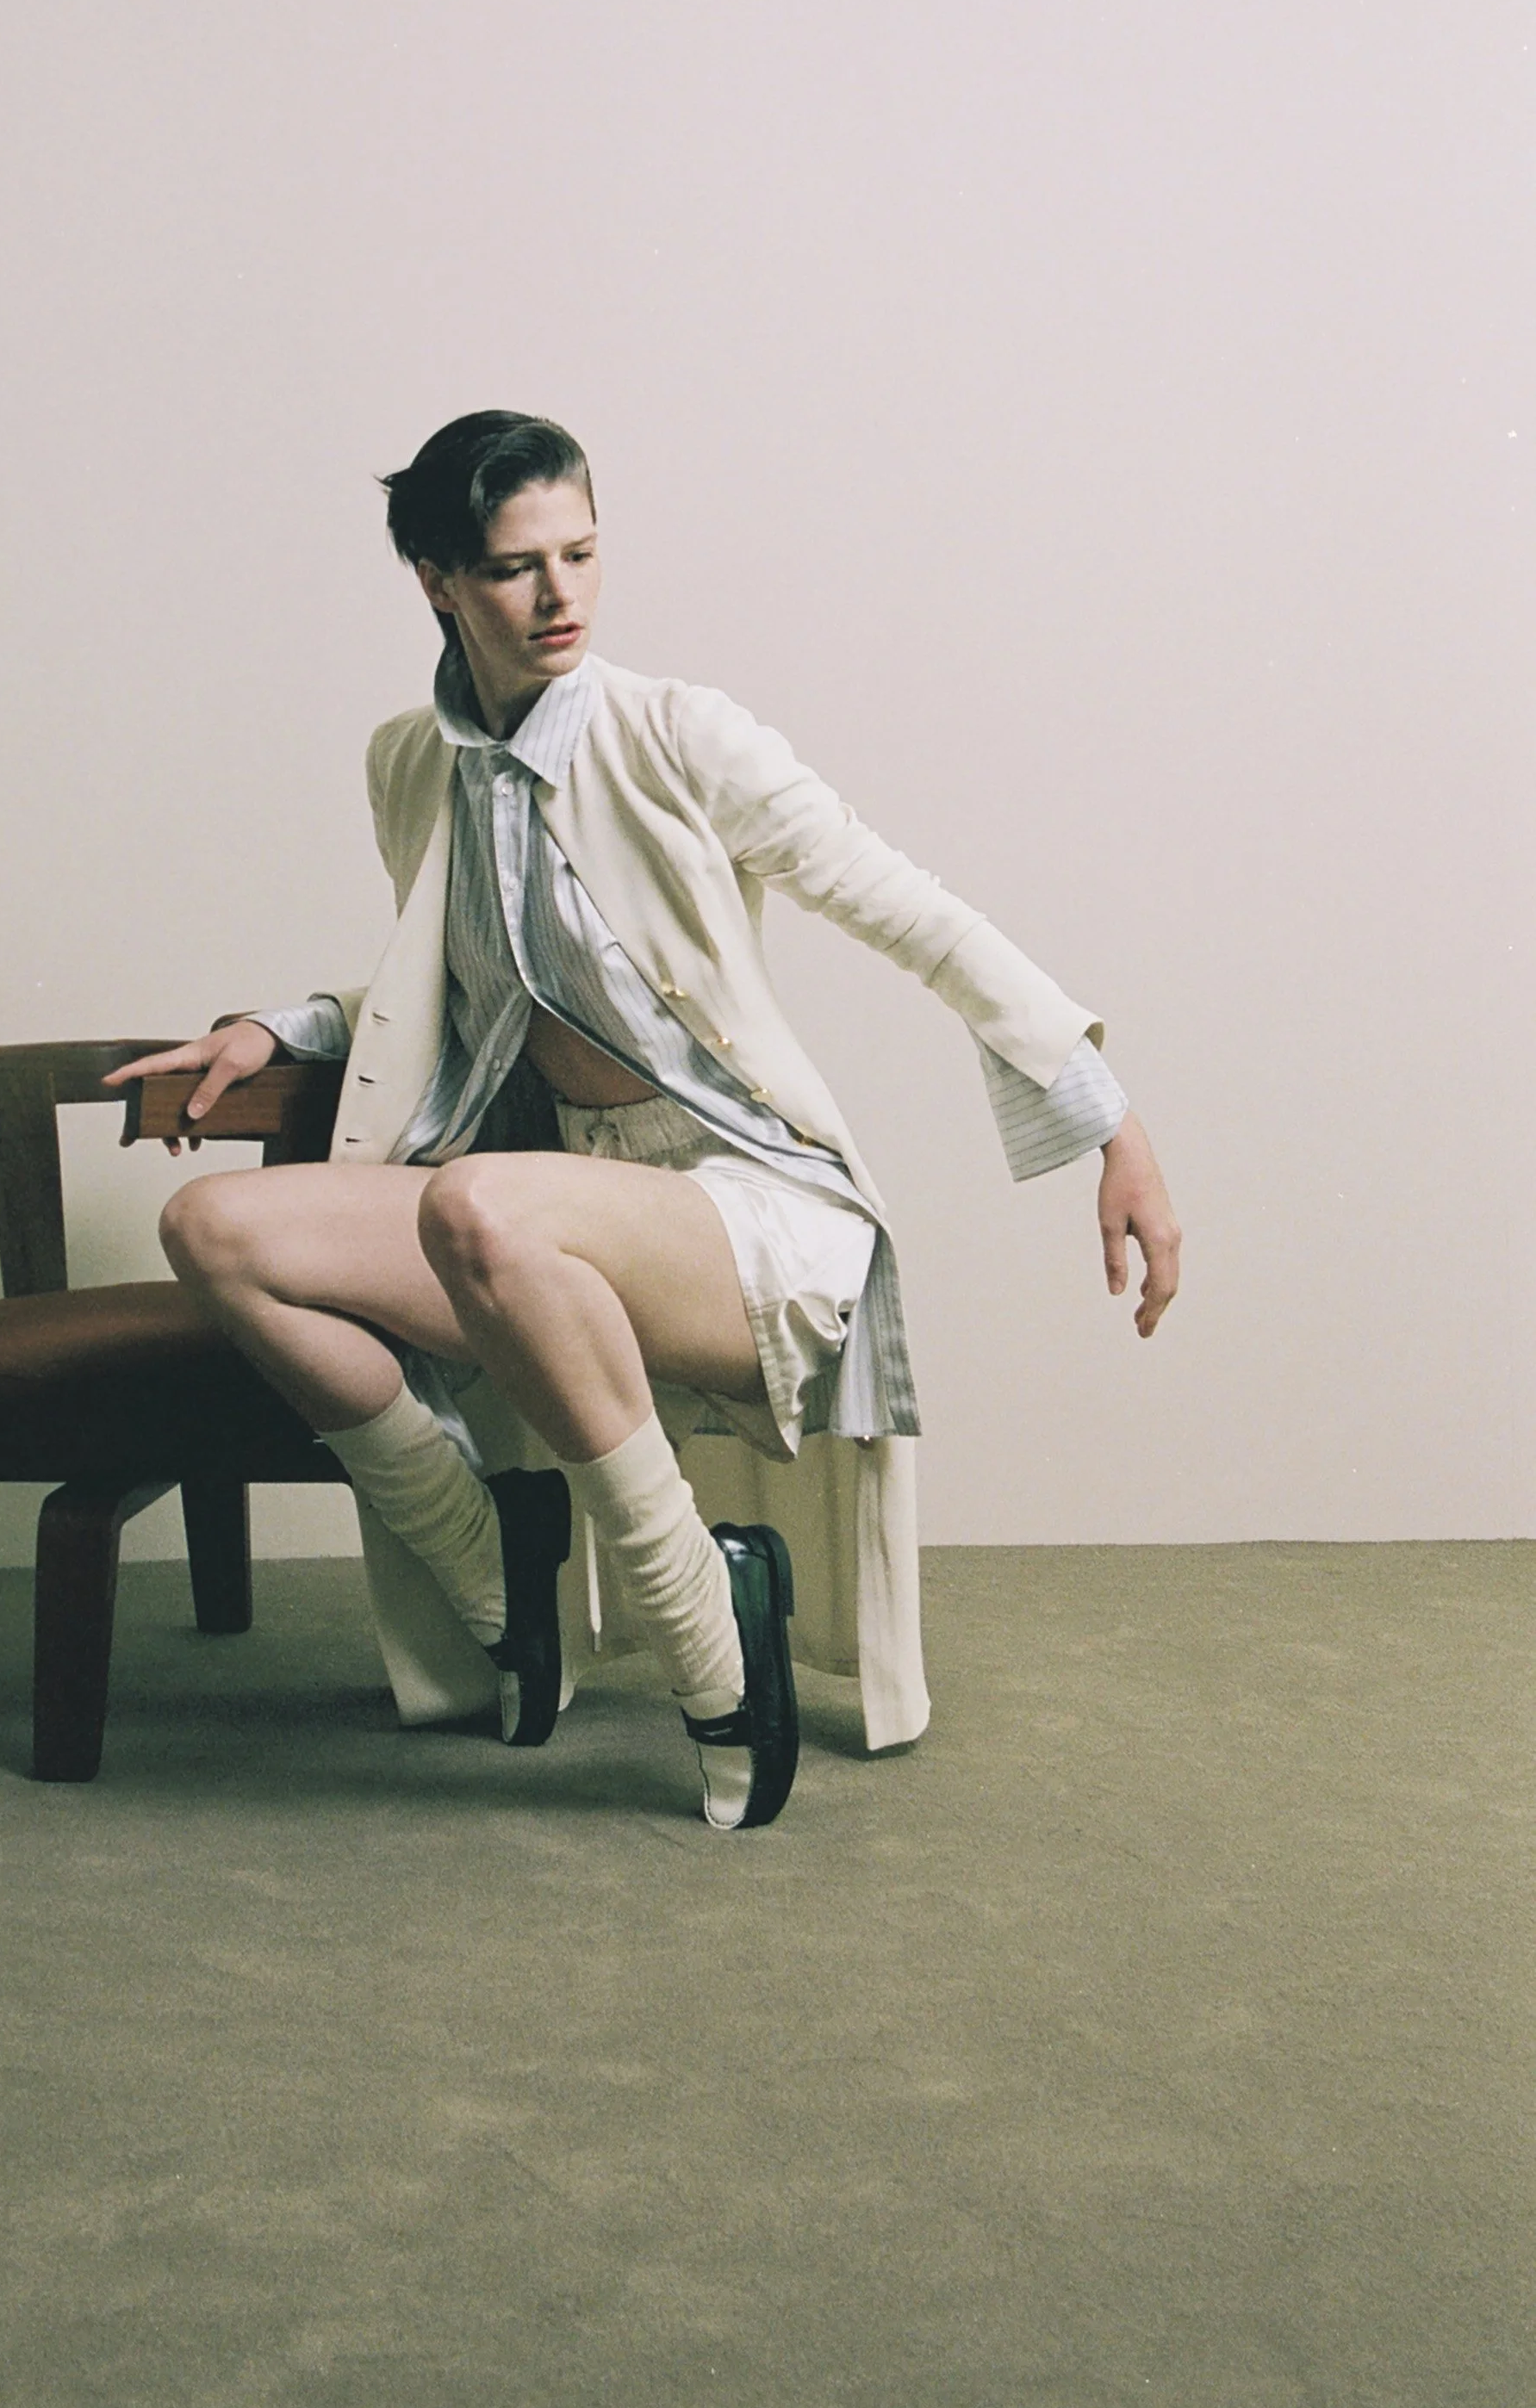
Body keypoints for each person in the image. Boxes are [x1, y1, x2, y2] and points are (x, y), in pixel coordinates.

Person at [109, 412, 1179, 1832]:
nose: (559, 597)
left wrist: (1108, 1119)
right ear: (434, 578)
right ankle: (496, 1576)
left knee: (479, 1201)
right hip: (545, 1198)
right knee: (218, 1227)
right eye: (512, 568)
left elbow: (907, 910)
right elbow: (465, 961)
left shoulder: (681, 734)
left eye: (581, 553)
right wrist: (284, 1027)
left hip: (740, 1205)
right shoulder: (408, 764)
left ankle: (705, 1644)